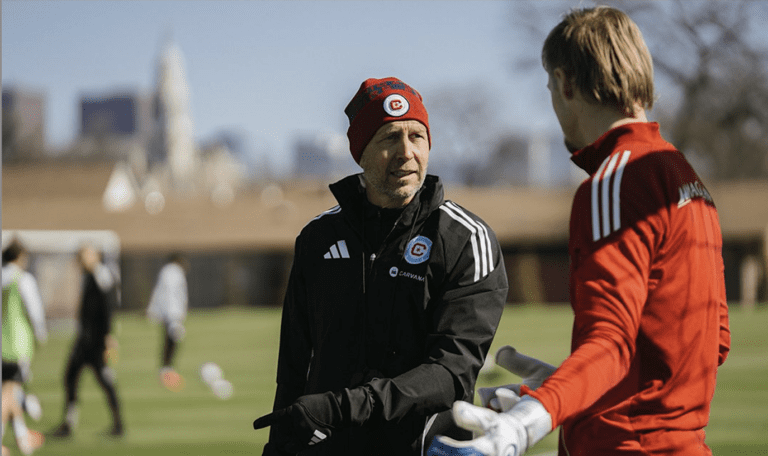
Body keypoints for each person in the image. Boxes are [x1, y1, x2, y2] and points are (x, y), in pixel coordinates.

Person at [429, 6, 731, 456]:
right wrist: (567, 388)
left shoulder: (613, 181)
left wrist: (526, 423)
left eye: (550, 86)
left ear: (567, 83)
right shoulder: (685, 176)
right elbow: (713, 340)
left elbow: (611, 342)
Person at [252, 77, 509, 455]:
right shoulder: (317, 239)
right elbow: (293, 369)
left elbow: (452, 374)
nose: (407, 152)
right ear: (360, 153)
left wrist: (344, 407)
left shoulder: (466, 239)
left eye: (416, 137)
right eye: (389, 138)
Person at [49, 245, 125, 438]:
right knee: (70, 378)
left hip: (96, 341)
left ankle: (118, 425)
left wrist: (108, 336)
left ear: (95, 256)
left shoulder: (102, 276)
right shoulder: (88, 276)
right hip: (85, 339)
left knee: (104, 380)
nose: (81, 260)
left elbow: (108, 308)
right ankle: (68, 423)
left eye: (84, 256)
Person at [2, 239, 47, 454]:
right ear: (20, 257)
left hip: (2, 343)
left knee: (10, 391)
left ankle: (22, 437)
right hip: (16, 344)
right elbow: (34, 309)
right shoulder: (22, 279)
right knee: (9, 392)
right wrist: (40, 333)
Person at [146, 253, 189, 392]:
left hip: (170, 313)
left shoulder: (168, 271)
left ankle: (166, 370)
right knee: (172, 341)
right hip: (172, 313)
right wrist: (174, 315)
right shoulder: (173, 272)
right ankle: (166, 371)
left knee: (170, 340)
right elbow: (171, 293)